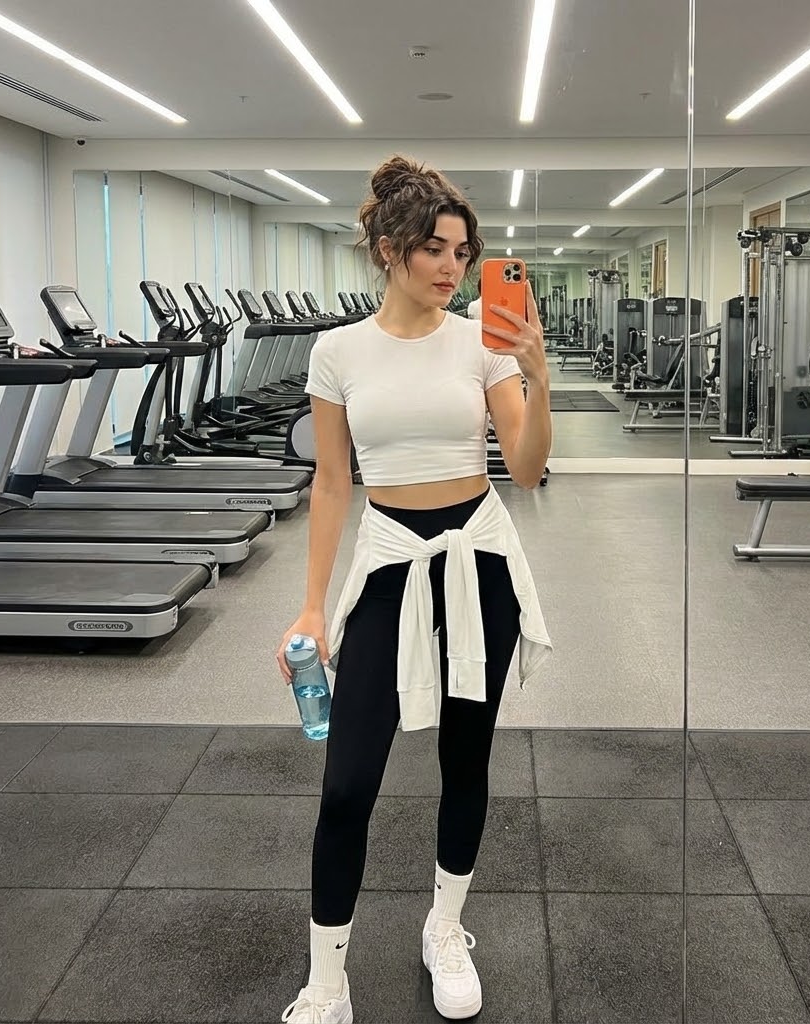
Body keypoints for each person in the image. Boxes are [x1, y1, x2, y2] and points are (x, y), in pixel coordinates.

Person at [276, 155, 553, 1024]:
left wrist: (537, 373)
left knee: (464, 762)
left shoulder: (483, 341)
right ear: (390, 249)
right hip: (391, 565)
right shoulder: (338, 351)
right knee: (348, 782)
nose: (451, 266)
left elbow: (530, 469)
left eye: (464, 252)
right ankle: (328, 976)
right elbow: (331, 483)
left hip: (481, 564)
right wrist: (315, 604)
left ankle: (444, 927)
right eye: (434, 247)